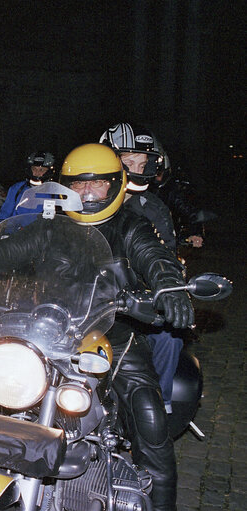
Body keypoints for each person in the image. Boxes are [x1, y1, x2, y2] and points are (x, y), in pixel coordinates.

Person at [0, 143, 192, 511]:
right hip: (48, 330)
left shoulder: (132, 226)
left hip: (111, 335)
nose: (87, 192)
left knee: (149, 415)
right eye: (78, 184)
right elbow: (5, 250)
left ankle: (161, 504)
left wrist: (168, 285)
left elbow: (155, 257)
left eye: (97, 184)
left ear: (116, 185)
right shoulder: (53, 226)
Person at [101, 123, 183, 410]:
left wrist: (166, 286)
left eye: (142, 162)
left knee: (169, 336)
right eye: (129, 162)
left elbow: (163, 258)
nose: (137, 168)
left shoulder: (153, 209)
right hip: (86, 298)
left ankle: (158, 407)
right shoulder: (85, 199)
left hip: (131, 301)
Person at [151, 152, 204, 248]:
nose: (154, 176)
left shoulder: (172, 191)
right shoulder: (134, 189)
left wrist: (196, 233)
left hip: (166, 241)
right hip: (139, 239)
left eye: (158, 173)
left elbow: (190, 212)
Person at [0, 151, 56, 219]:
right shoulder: (17, 189)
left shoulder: (54, 192)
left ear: (48, 172)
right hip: (17, 227)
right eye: (34, 169)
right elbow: (5, 214)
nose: (37, 173)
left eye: (41, 170)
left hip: (41, 228)